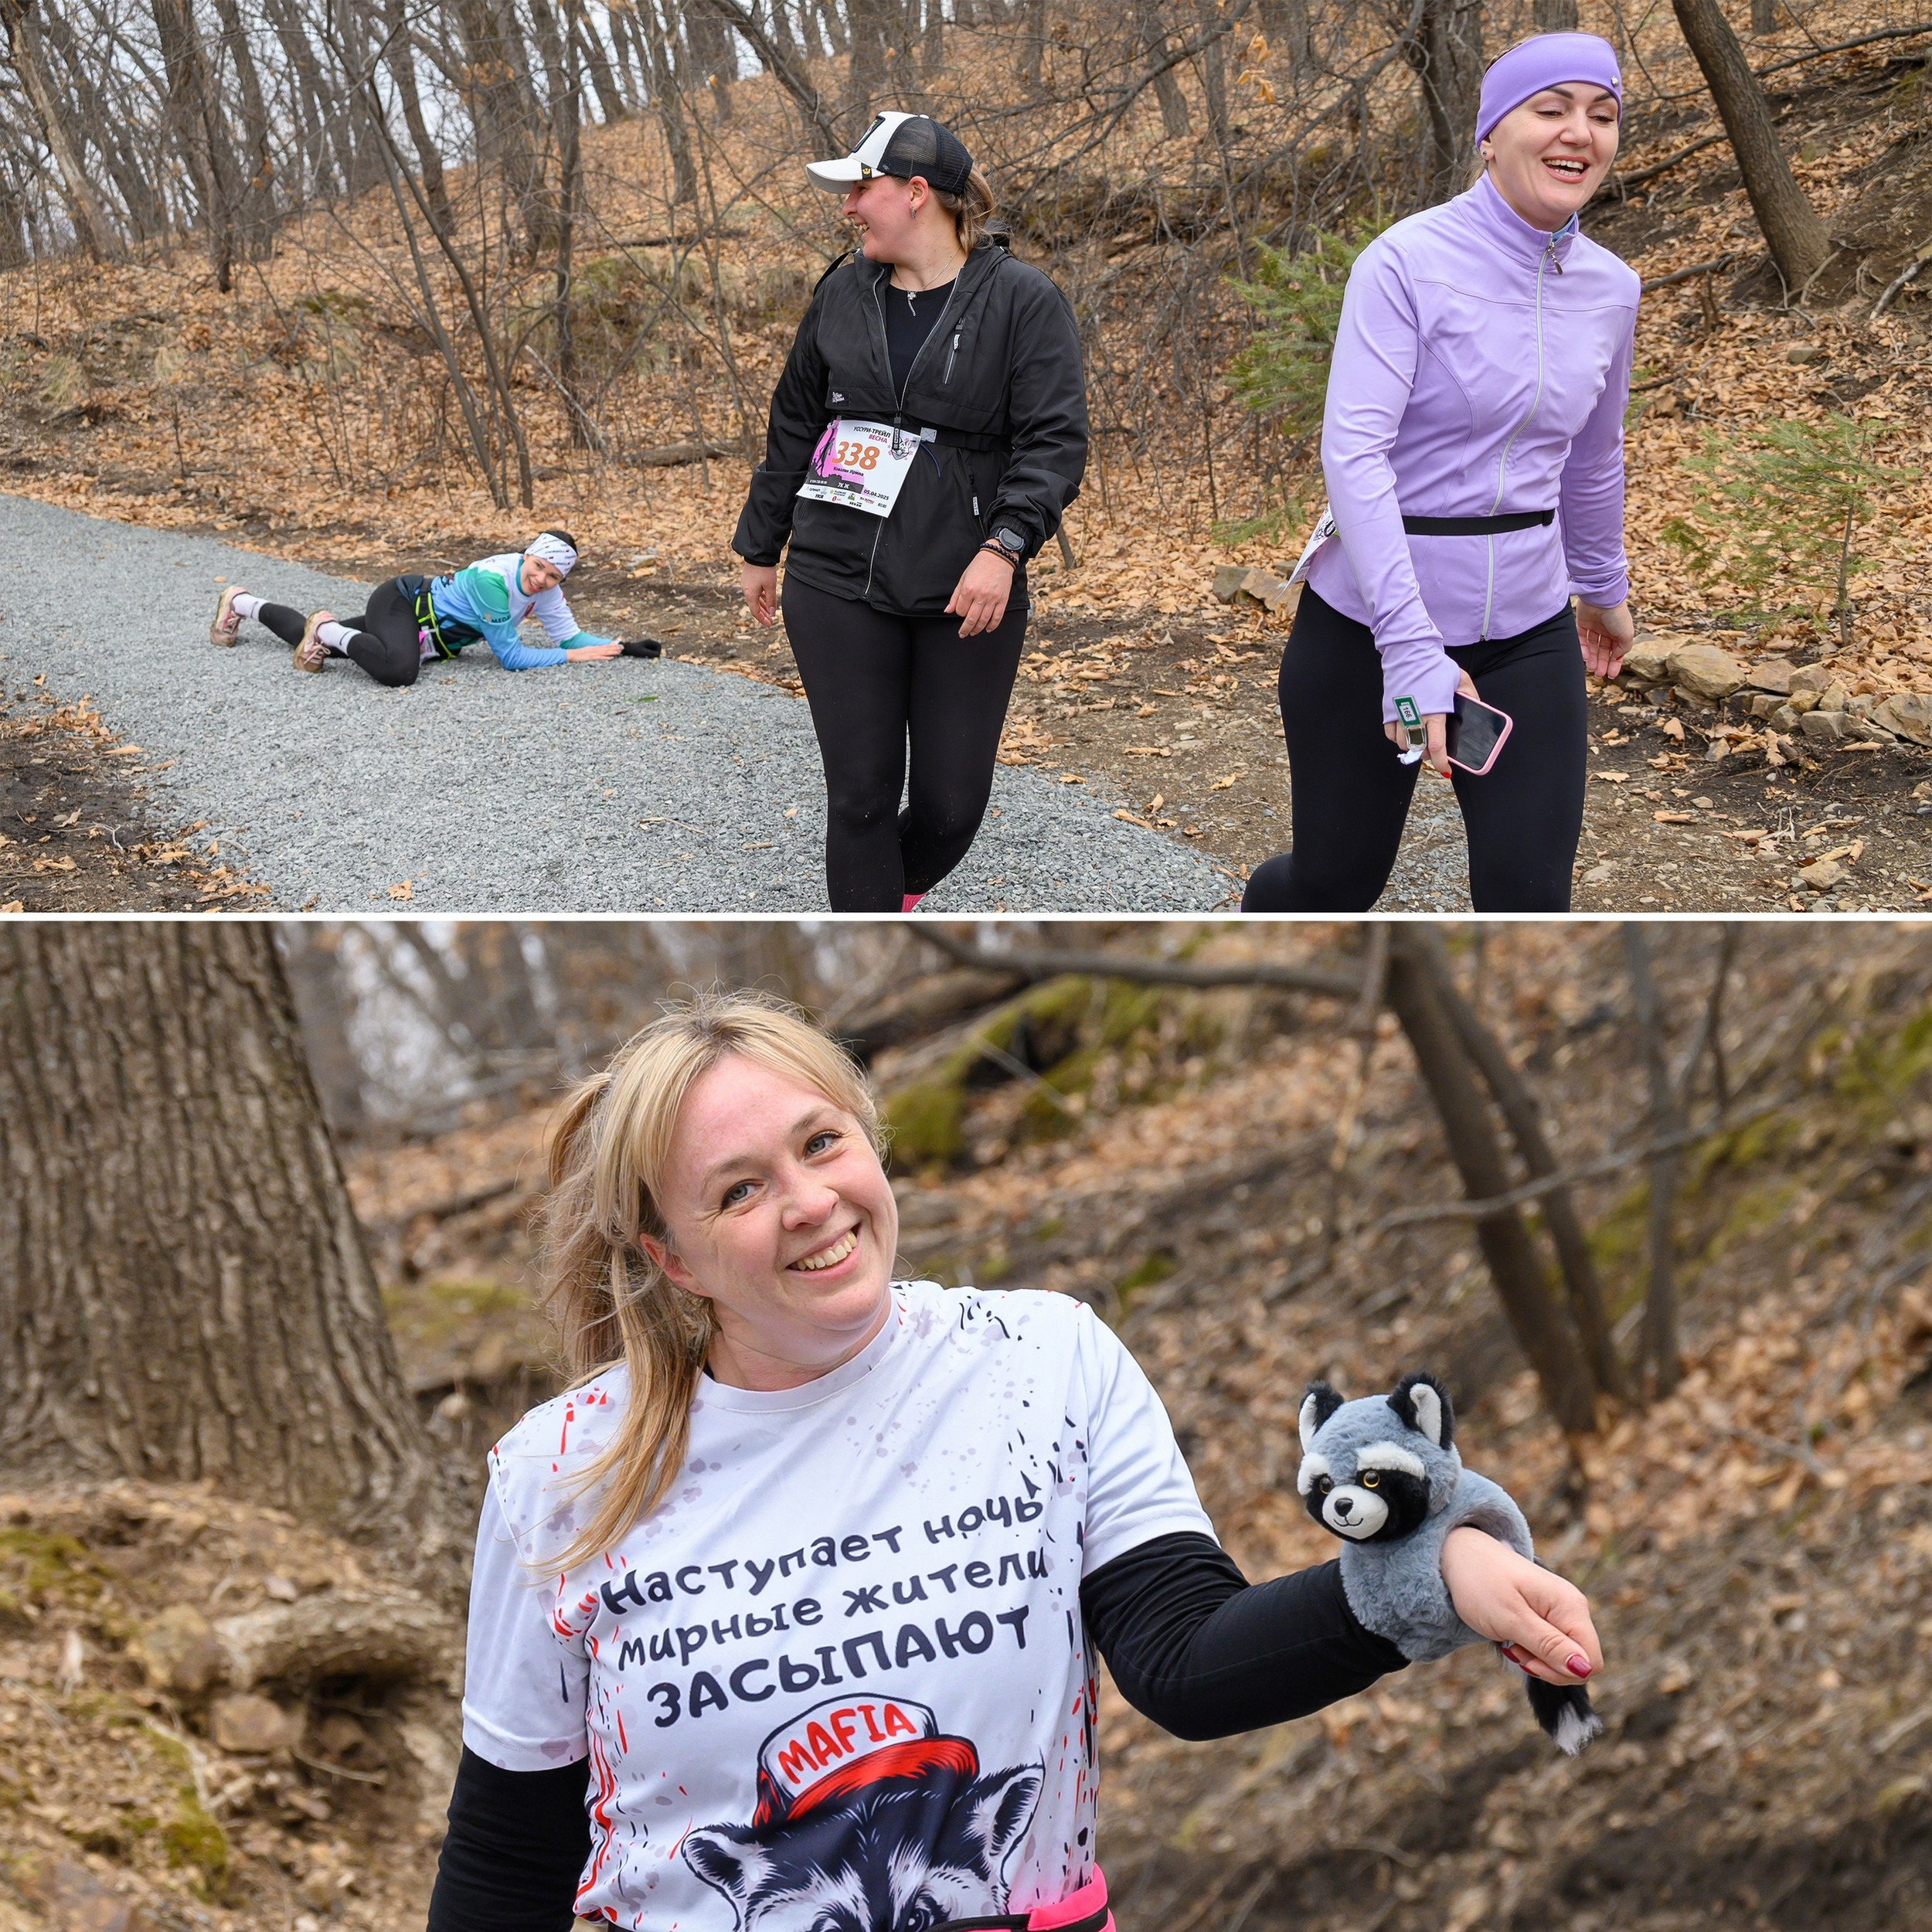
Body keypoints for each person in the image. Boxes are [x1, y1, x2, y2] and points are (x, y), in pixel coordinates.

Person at [426, 993, 1604, 1932]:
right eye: (740, 1190)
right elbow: (506, 1860)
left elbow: (1185, 1661)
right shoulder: (563, 1473)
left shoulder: (1042, 1361)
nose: (810, 1202)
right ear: (673, 1260)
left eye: (822, 1143)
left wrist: (1428, 1580)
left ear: (870, 1141)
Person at [1243, 32, 1639, 914]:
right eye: (1551, 109)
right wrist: (1410, 645)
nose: (1580, 133)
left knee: (1529, 899)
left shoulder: (1612, 288)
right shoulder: (1404, 263)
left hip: (1530, 628)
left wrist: (1603, 589)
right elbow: (1354, 453)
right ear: (1490, 135)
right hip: (1368, 625)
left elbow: (1592, 453)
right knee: (1334, 883)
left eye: (1603, 115)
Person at [733, 114, 1088, 913]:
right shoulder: (841, 292)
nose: (848, 207)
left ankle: (889, 899)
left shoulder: (1022, 300)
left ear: (916, 193)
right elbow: (794, 422)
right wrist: (761, 544)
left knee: (951, 808)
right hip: (833, 572)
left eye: (862, 189)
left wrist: (1004, 547)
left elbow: (1054, 442)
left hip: (963, 578)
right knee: (860, 799)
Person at [208, 531, 641, 685]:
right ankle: (325, 631)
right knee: (399, 671)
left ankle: (241, 602)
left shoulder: (545, 591)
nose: (542, 580)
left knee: (310, 636)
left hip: (423, 627)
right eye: (539, 567)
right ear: (527, 555)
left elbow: (570, 637)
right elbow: (510, 657)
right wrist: (571, 657)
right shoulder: (493, 580)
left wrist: (620, 647)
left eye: (554, 576)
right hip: (403, 602)